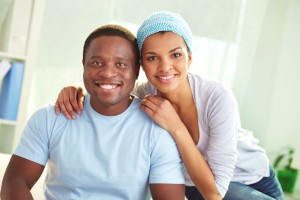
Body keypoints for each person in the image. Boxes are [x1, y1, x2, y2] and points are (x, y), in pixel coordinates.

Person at [54, 11, 284, 200]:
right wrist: (77, 88)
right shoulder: (144, 93)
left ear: (190, 58)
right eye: (153, 58)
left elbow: (215, 192)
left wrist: (176, 126)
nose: (165, 67)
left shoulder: (216, 96)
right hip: (198, 188)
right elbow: (110, 86)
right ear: (141, 65)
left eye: (175, 55)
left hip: (253, 177)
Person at [1, 24, 186, 200]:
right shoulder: (49, 118)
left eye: (120, 64)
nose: (107, 73)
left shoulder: (157, 129)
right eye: (97, 63)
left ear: (136, 71)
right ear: (84, 65)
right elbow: (14, 182)